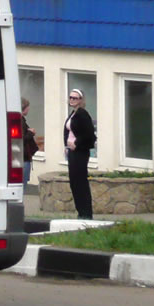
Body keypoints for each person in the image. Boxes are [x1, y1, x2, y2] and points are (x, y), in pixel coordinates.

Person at [63, 88, 96, 219]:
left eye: (75, 98)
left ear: (81, 100)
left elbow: (89, 135)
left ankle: (86, 213)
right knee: (74, 182)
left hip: (80, 153)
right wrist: (67, 144)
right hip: (72, 152)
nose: (72, 100)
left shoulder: (83, 114)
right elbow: (68, 131)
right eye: (70, 97)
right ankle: (80, 211)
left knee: (80, 181)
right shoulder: (73, 114)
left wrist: (76, 143)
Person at [21, 97, 38, 187]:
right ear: (24, 107)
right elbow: (21, 138)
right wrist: (31, 133)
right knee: (22, 185)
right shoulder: (20, 121)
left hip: (24, 158)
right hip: (24, 158)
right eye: (28, 107)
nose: (29, 109)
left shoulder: (21, 120)